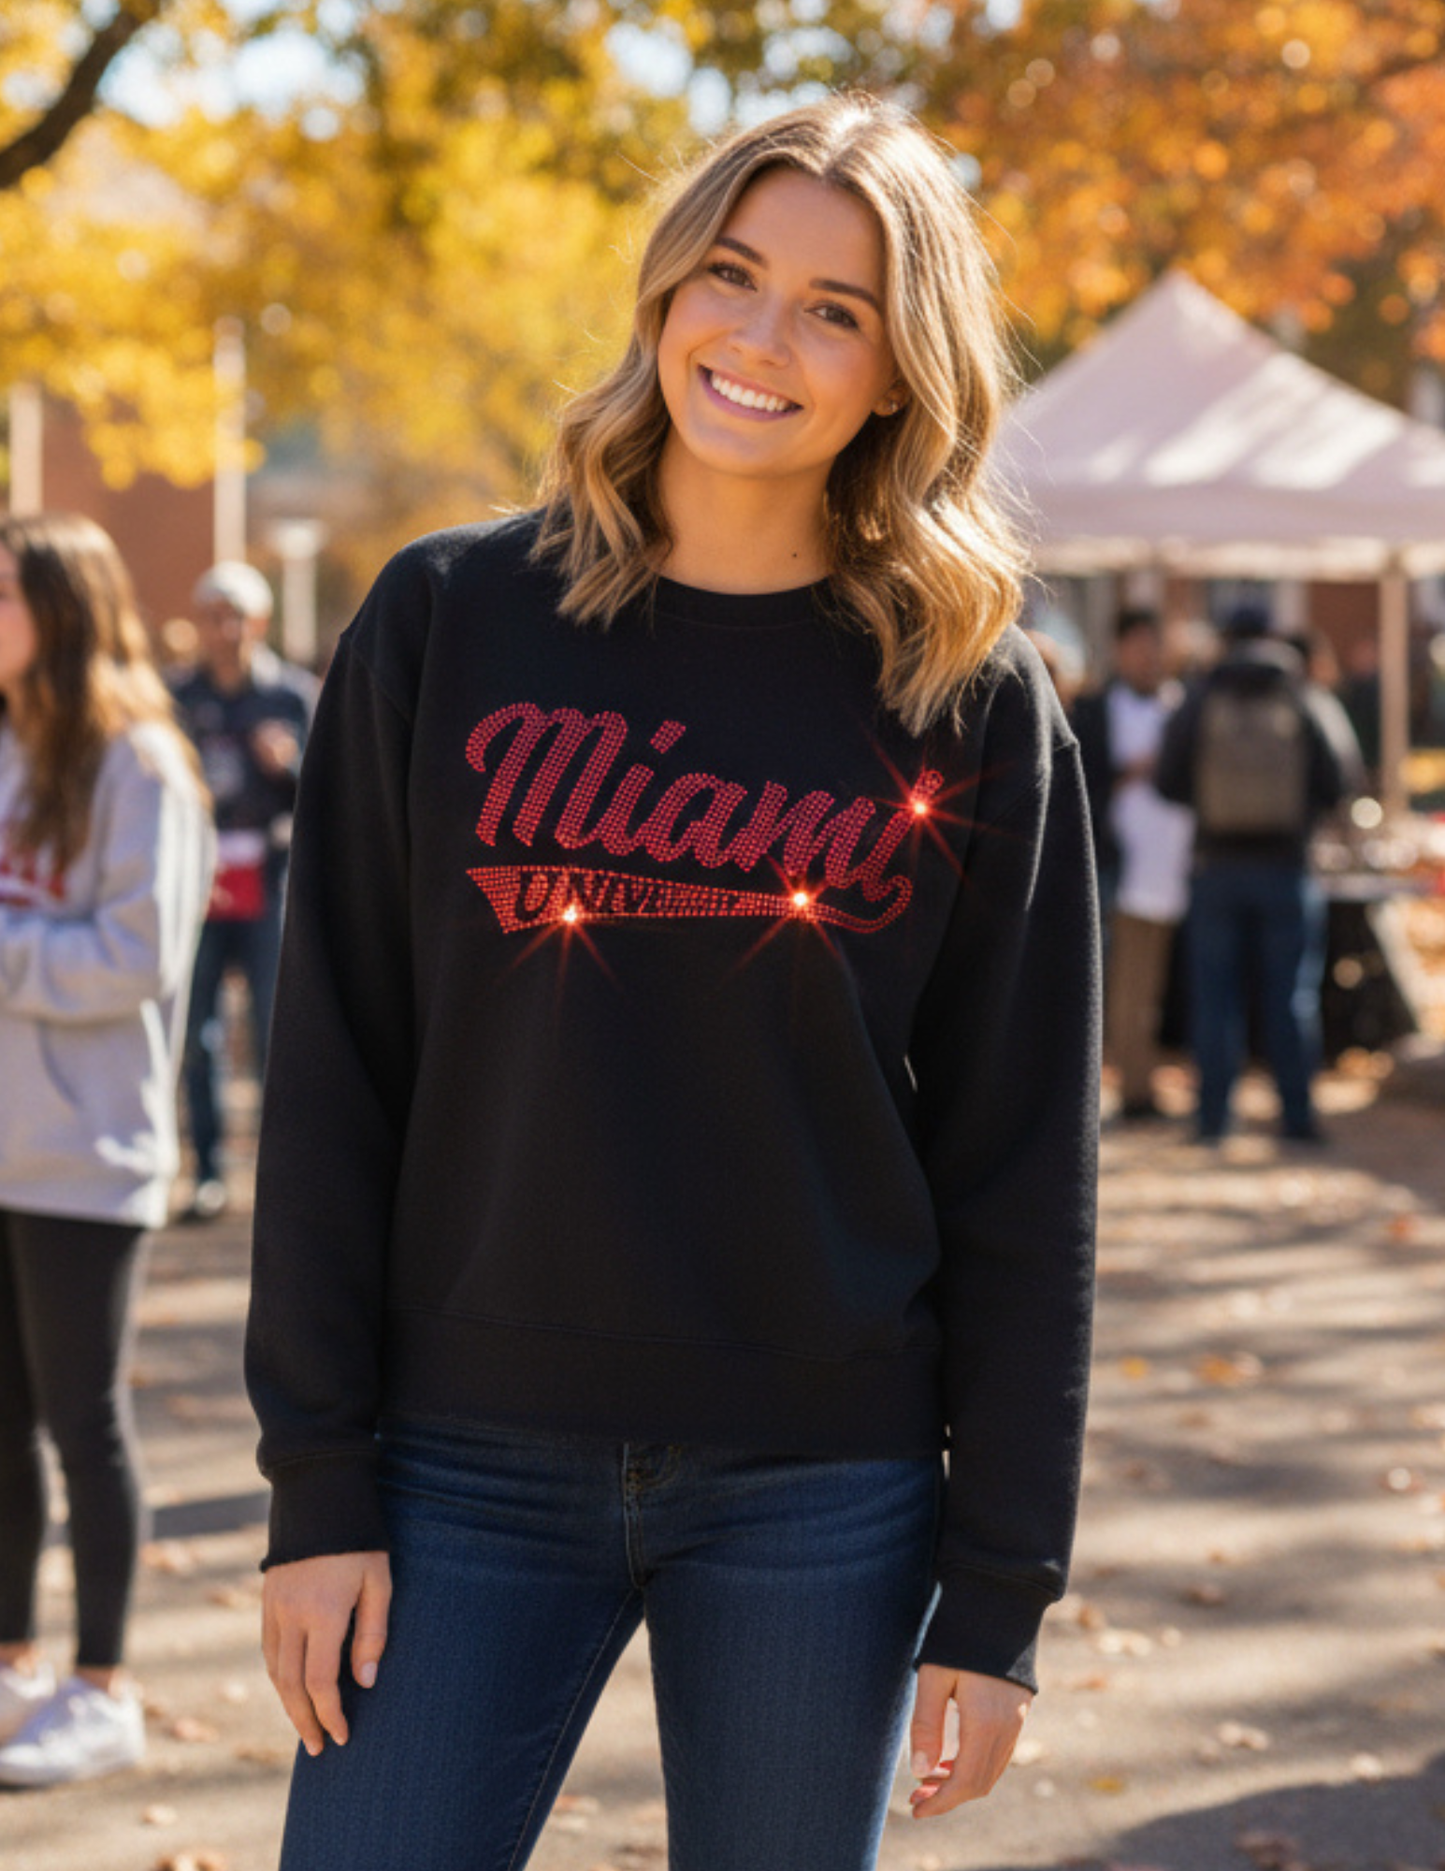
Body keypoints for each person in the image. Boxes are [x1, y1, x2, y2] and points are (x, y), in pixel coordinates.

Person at [247, 94, 1100, 1871]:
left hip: (826, 1484)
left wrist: (1001, 1588)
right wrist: (317, 1483)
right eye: (732, 273)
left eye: (834, 308)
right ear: (661, 297)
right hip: (459, 1459)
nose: (760, 338)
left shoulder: (971, 701)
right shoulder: (444, 622)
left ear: (900, 372)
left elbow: (1023, 1168)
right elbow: (335, 1067)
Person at [0, 513, 213, 1784]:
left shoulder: (143, 763)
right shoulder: (10, 745)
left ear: (61, 609)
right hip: (6, 1143)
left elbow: (140, 957)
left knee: (85, 1420)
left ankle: (103, 1683)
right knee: (1, 1423)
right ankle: (15, 1659)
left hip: (89, 1150)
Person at [1156, 603, 1363, 1143]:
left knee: (1214, 997)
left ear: (1224, 637)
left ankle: (1212, 1120)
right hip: (1287, 867)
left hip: (1216, 865)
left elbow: (1166, 780)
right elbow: (1340, 777)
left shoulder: (1201, 695)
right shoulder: (1300, 692)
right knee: (1290, 997)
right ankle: (1296, 1118)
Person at [172, 562, 315, 1221]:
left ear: (261, 622)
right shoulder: (172, 700)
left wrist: (286, 765)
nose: (226, 629)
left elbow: (337, 797)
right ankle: (206, 1170)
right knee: (194, 1033)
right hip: (194, 889)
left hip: (268, 883)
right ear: (199, 623)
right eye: (214, 615)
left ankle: (278, 1178)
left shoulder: (292, 697)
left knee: (272, 1032)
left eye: (239, 616)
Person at [1076, 609, 1193, 1119]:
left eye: (1156, 644)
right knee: (1126, 978)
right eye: (1140, 644)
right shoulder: (1097, 707)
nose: (1149, 655)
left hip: (1176, 861)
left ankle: (1145, 1078)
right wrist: (1130, 773)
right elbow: (1082, 779)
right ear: (1122, 648)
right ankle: (1133, 1084)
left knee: (1157, 979)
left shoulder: (1181, 705)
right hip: (1119, 861)